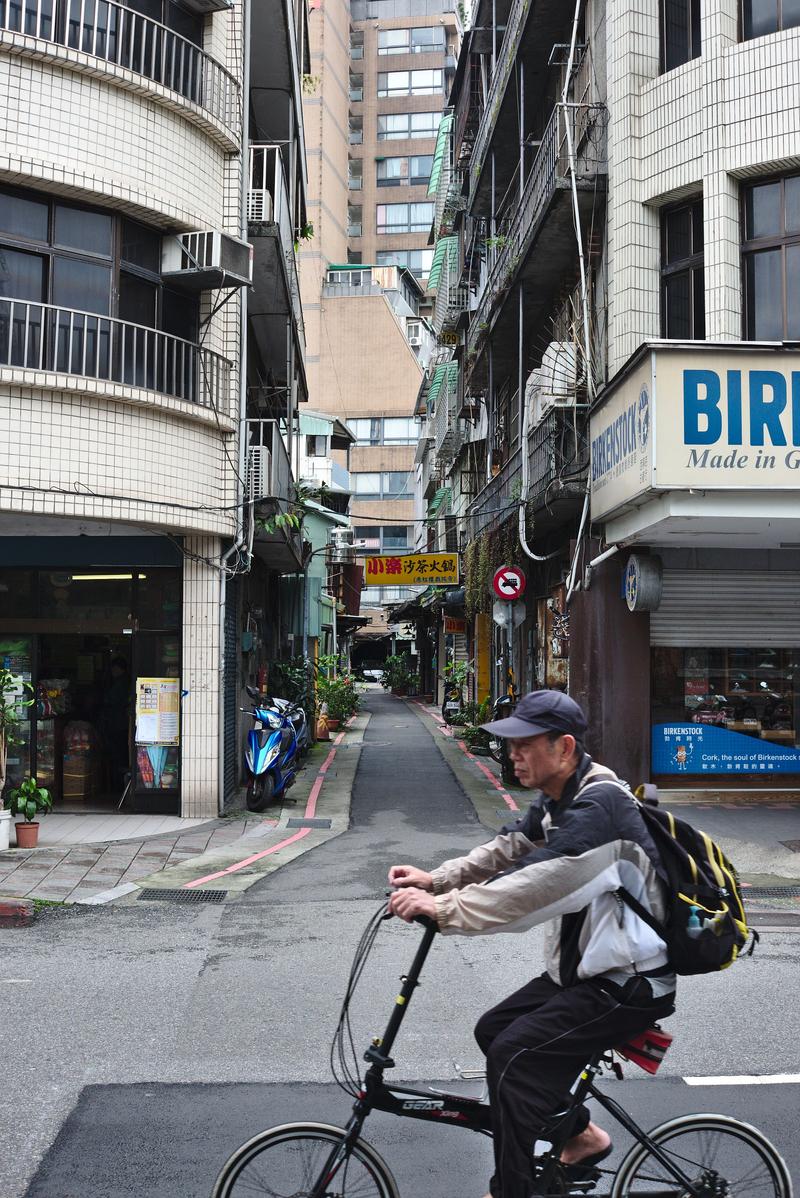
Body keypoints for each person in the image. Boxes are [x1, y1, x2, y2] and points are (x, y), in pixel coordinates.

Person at [388, 690, 675, 1198]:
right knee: (493, 1030)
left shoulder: (599, 806)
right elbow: (510, 848)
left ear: (563, 747)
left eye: (523, 745)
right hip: (585, 973)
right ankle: (581, 1135)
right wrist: (436, 880)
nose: (512, 755)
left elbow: (538, 883)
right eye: (510, 745)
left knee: (513, 1058)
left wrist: (446, 909)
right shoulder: (562, 797)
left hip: (627, 982)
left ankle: (512, 1190)